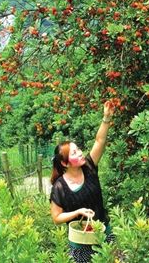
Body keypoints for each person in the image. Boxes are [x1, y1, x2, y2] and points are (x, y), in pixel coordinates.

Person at [50, 100, 115, 263]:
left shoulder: (89, 167)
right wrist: (78, 212)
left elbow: (99, 141)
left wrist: (106, 118)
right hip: (81, 241)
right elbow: (56, 218)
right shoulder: (60, 188)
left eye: (78, 149)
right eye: (74, 153)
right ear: (65, 163)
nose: (80, 153)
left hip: (103, 233)